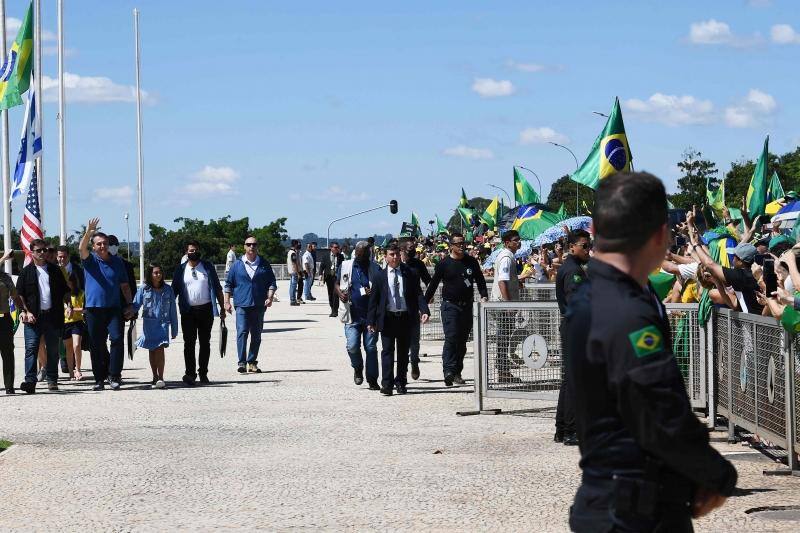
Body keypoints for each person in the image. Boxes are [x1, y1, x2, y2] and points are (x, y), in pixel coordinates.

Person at [566, 172, 736, 531]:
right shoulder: (628, 311)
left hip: (610, 500)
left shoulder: (591, 296)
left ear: (594, 231)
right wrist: (716, 472)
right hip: (637, 511)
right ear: (661, 234)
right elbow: (658, 410)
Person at [79, 219, 136, 392]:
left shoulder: (117, 262)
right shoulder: (90, 261)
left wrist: (130, 305)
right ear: (94, 246)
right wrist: (89, 231)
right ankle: (99, 379)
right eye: (98, 244)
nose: (102, 246)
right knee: (96, 344)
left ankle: (115, 375)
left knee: (117, 339)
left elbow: (124, 286)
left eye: (104, 243)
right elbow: (81, 249)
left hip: (114, 309)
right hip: (93, 309)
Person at [425, 232, 488, 386]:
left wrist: (484, 295)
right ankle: (448, 370)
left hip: (467, 306)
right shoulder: (444, 264)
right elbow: (433, 284)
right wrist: (424, 305)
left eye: (463, 243)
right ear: (451, 246)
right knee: (451, 337)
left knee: (462, 341)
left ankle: (457, 372)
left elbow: (480, 280)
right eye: (458, 243)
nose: (462, 246)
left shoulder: (471, 262)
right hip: (449, 306)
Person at [367, 243, 430, 395]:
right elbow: (374, 301)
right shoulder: (379, 276)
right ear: (385, 256)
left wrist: (424, 310)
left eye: (396, 254)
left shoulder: (410, 273)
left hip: (405, 318)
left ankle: (401, 382)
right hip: (388, 318)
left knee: (403, 353)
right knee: (387, 351)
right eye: (391, 254)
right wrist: (371, 321)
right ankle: (387, 384)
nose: (395, 257)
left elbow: (418, 294)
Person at [16, 239, 72, 393]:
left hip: (53, 317)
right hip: (33, 318)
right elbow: (19, 294)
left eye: (45, 250)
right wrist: (25, 311)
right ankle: (30, 382)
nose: (43, 253)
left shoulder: (55, 270)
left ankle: (52, 380)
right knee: (31, 349)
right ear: (32, 253)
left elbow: (65, 291)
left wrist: (68, 305)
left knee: (53, 350)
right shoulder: (25, 272)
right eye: (39, 250)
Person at [687, 208, 764, 315]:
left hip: (756, 328)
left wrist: (694, 243)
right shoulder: (756, 274)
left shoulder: (741, 276)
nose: (732, 257)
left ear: (742, 261)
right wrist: (717, 282)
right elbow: (733, 303)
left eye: (735, 256)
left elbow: (710, 263)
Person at [553, 229, 590, 447]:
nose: (588, 249)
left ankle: (562, 429)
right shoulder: (573, 271)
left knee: (570, 381)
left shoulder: (574, 268)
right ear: (572, 247)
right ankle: (571, 431)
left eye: (589, 245)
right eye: (584, 245)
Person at [172, 241, 226, 385]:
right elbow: (173, 292)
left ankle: (203, 373)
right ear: (186, 253)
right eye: (191, 250)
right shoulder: (181, 269)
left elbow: (218, 288)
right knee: (189, 343)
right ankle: (190, 373)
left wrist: (222, 307)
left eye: (196, 250)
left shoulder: (207, 267)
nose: (193, 252)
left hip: (206, 309)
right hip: (188, 311)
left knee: (205, 342)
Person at [224, 236, 277, 373]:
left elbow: (272, 282)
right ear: (244, 247)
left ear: (257, 246)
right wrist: (226, 302)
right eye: (248, 244)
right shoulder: (237, 265)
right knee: (242, 332)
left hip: (259, 304)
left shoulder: (264, 264)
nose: (251, 247)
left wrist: (270, 297)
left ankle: (252, 362)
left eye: (254, 244)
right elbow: (228, 284)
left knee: (256, 334)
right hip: (241, 304)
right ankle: (241, 362)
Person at [335, 241, 382, 389]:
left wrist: (373, 291)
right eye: (358, 254)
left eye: (364, 255)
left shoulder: (376, 268)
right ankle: (357, 368)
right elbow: (335, 283)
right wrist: (340, 293)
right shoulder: (346, 266)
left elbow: (383, 289)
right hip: (351, 315)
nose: (360, 257)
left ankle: (373, 379)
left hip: (370, 317)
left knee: (371, 347)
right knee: (352, 346)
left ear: (369, 254)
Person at [133, 263, 178, 389]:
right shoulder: (144, 289)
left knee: (160, 349)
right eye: (155, 273)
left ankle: (161, 377)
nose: (158, 275)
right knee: (152, 350)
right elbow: (136, 304)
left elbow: (173, 310)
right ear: (150, 274)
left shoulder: (168, 289)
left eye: (160, 272)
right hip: (149, 324)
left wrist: (174, 329)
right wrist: (128, 313)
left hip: (163, 324)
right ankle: (154, 376)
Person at [489, 230, 522, 384]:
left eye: (519, 240)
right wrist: (508, 303)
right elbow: (502, 281)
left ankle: (503, 368)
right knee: (503, 337)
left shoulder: (507, 256)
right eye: (515, 240)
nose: (518, 243)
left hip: (503, 304)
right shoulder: (507, 257)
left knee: (504, 337)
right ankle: (502, 371)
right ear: (507, 242)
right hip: (503, 305)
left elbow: (507, 280)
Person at [401, 242, 432, 380]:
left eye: (413, 250)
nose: (411, 253)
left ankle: (414, 361)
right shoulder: (394, 265)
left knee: (414, 342)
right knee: (401, 343)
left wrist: (425, 306)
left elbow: (426, 283)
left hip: (413, 308)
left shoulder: (418, 264)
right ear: (402, 250)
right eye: (409, 250)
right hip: (397, 309)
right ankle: (401, 375)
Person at [0, 250, 20, 394]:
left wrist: (24, 310)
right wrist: (4, 258)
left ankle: (9, 385)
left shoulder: (6, 278)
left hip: (4, 318)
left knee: (7, 353)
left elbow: (15, 296)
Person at [63, 272, 86, 381]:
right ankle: (71, 372)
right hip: (65, 323)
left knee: (77, 345)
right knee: (68, 348)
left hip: (77, 322)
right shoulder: (64, 294)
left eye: (70, 282)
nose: (69, 284)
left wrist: (74, 310)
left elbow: (85, 309)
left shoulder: (81, 293)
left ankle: (78, 369)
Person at [319, 242, 345, 317]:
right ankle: (332, 308)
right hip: (329, 277)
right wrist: (320, 274)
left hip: (337, 277)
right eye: (335, 247)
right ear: (331, 248)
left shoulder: (341, 256)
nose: (337, 249)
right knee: (330, 293)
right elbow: (322, 266)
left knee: (336, 293)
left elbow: (343, 266)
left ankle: (335, 311)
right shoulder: (325, 256)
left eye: (338, 247)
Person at [286, 240, 301, 306]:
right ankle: (293, 300)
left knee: (292, 286)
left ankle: (292, 299)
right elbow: (294, 263)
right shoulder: (293, 253)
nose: (298, 245)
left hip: (291, 271)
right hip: (294, 271)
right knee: (293, 287)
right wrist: (298, 272)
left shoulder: (289, 252)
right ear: (295, 245)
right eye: (298, 244)